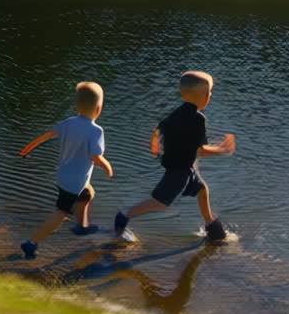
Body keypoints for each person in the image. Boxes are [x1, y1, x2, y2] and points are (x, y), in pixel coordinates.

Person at [113, 71, 235, 244]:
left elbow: (160, 127)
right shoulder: (198, 119)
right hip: (181, 170)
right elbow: (200, 150)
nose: (211, 96)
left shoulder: (177, 112)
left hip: (184, 166)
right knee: (161, 203)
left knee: (202, 190)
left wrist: (154, 144)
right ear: (203, 97)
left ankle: (211, 226)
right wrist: (223, 150)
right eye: (209, 93)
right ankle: (124, 215)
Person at [18, 82, 114, 260]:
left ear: (76, 106)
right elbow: (95, 157)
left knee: (88, 193)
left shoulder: (68, 123)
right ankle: (31, 242)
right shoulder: (96, 131)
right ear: (99, 109)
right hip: (74, 182)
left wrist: (28, 148)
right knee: (61, 214)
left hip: (64, 176)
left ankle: (82, 226)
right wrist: (108, 167)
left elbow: (48, 135)